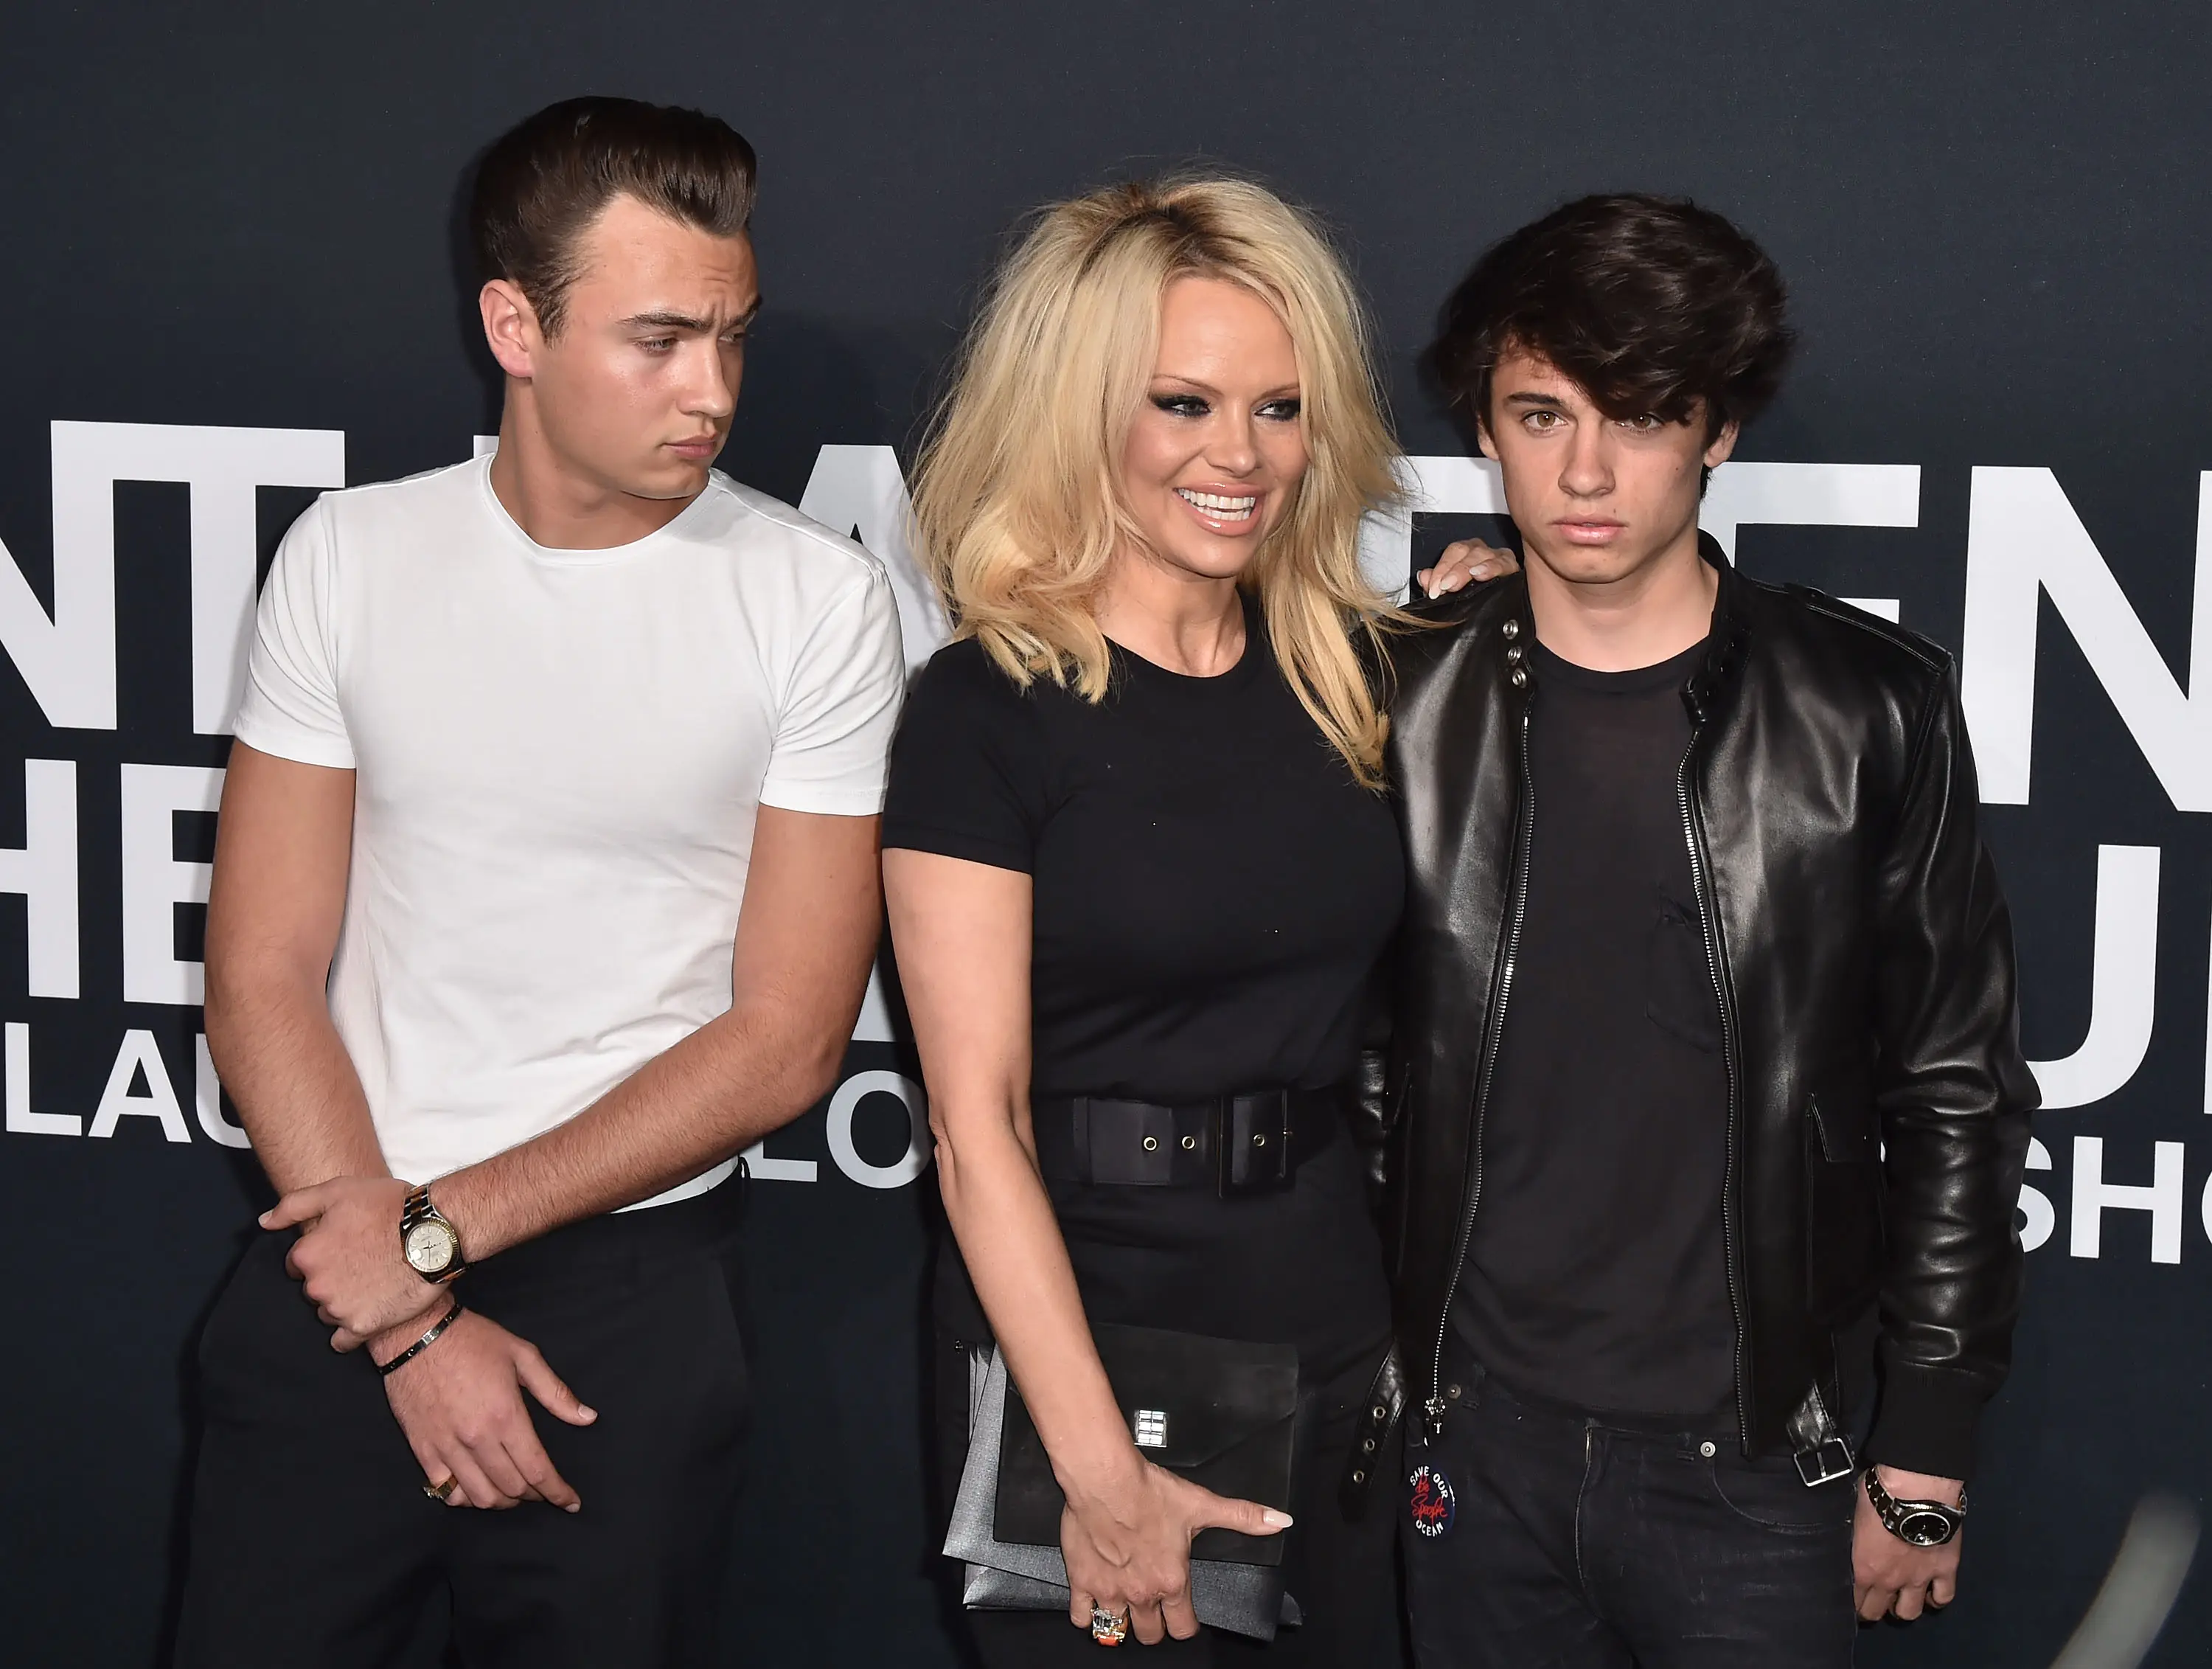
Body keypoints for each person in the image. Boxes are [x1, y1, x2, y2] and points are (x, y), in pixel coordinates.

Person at [173, 97, 905, 1668]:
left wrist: (432, 1245)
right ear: (514, 323)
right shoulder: (351, 559)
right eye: (656, 340)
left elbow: (785, 1039)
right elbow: (259, 973)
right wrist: (406, 1302)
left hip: (620, 1300)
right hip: (333, 1255)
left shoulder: (815, 606)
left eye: (731, 337)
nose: (710, 391)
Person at [1385, 192, 2037, 1668]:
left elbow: (1956, 1090)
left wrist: (1924, 1449)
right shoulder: (1404, 700)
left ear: (1719, 431)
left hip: (1758, 1472)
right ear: (1484, 429)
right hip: (1471, 1448)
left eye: (1643, 413)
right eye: (1543, 415)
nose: (1590, 470)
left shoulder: (1867, 707)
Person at [880, 176, 1510, 1663]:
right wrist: (1100, 1476)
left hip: (1324, 1324)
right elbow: (979, 1133)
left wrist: (1507, 597)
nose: (1241, 456)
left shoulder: (1366, 677)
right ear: (1082, 411)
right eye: (1182, 402)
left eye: (1279, 409)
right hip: (1077, 1337)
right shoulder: (986, 711)